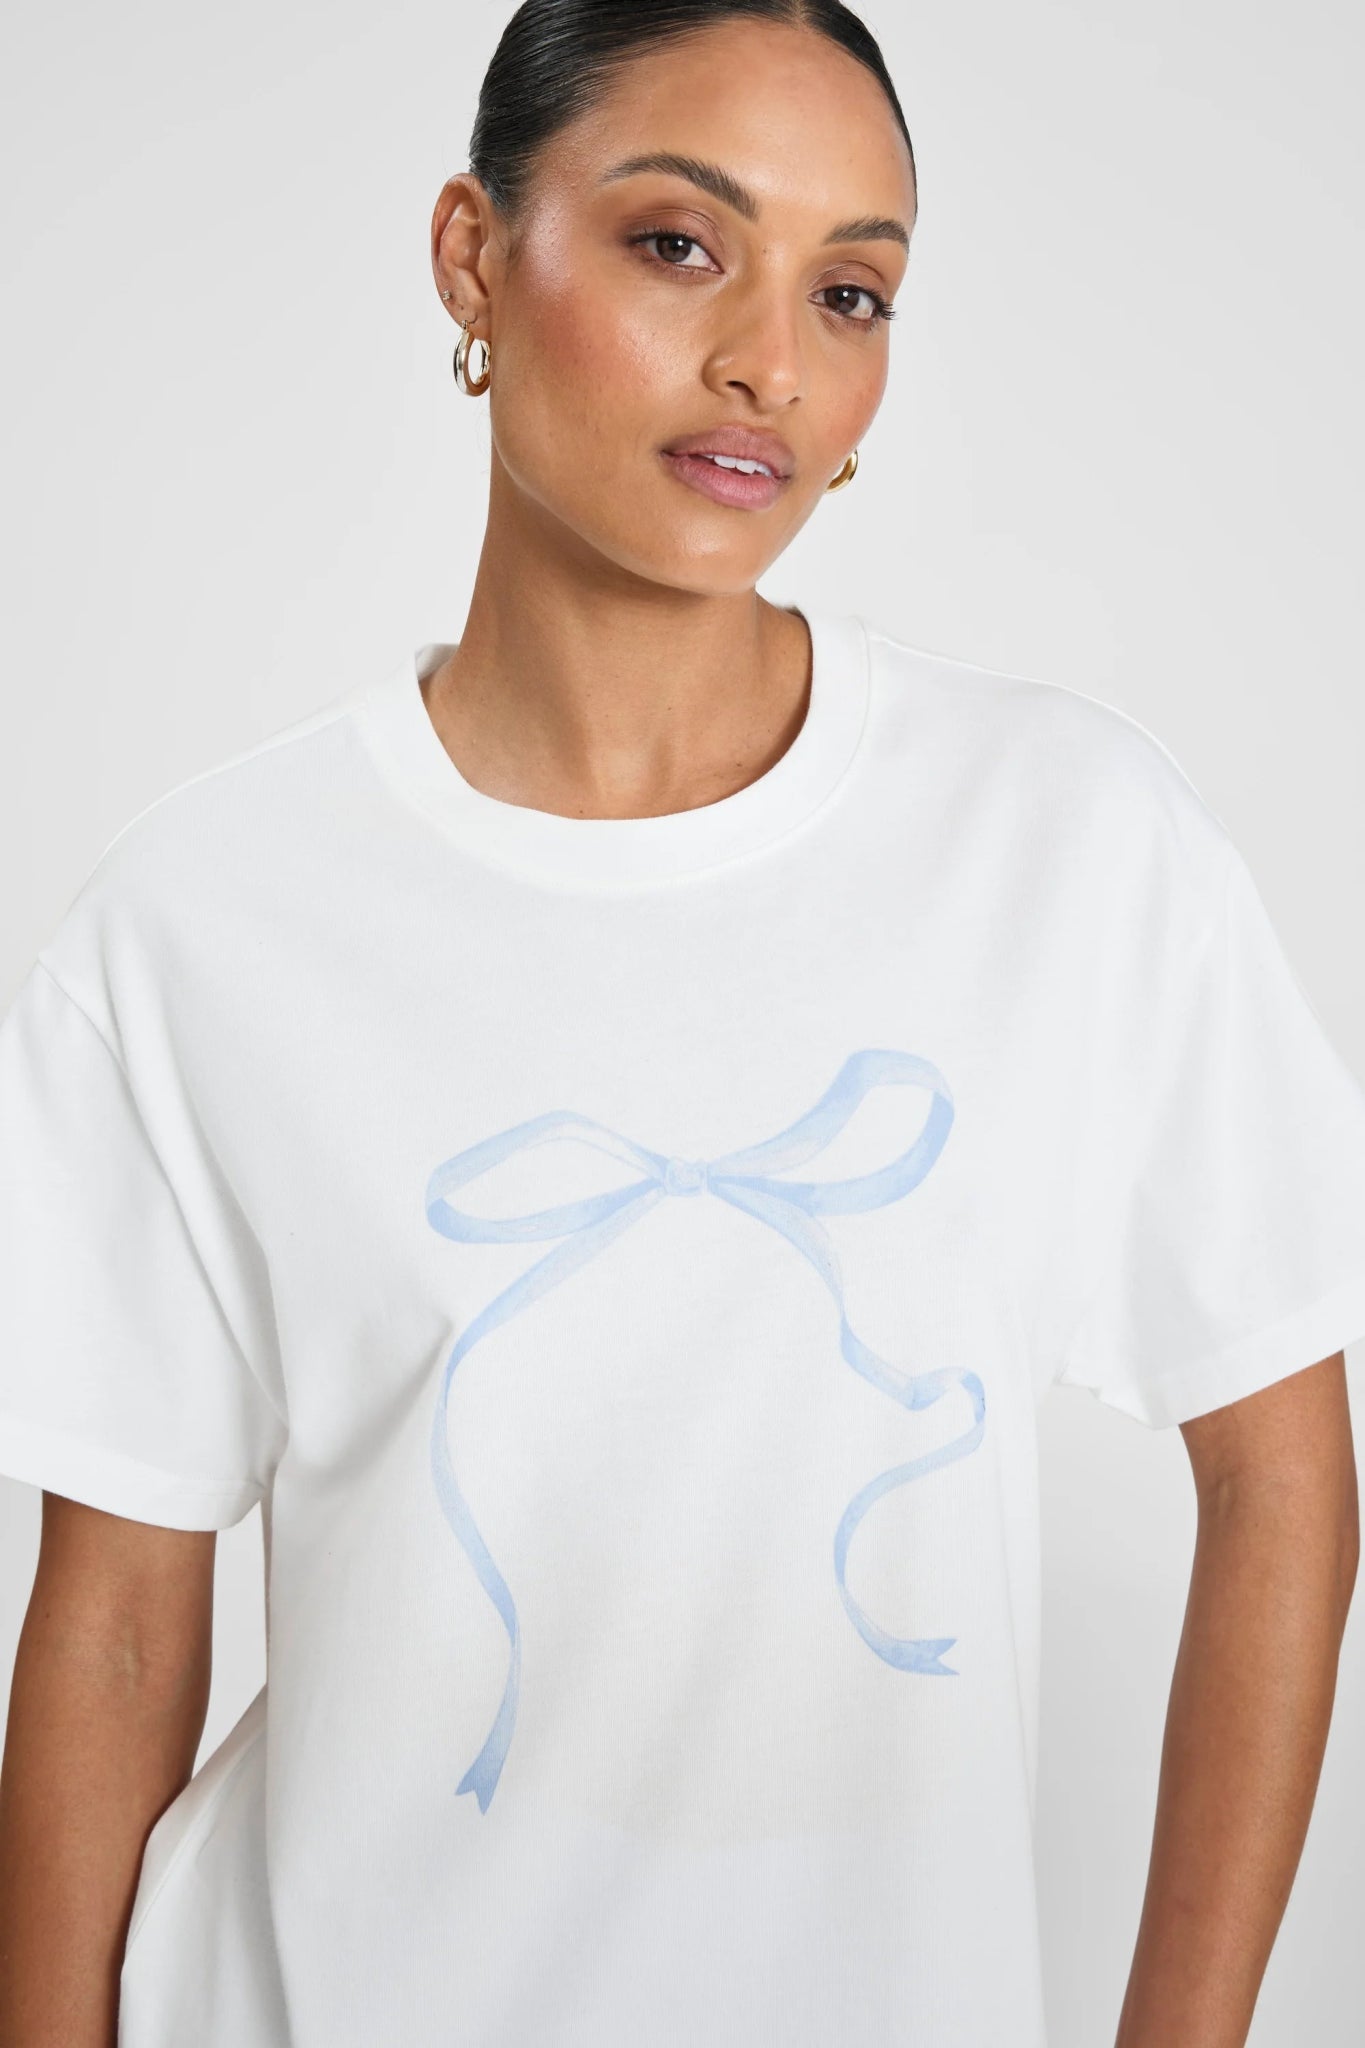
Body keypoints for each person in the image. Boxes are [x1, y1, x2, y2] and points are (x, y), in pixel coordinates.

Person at [0, 1, 1362, 2043]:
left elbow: (1279, 1481)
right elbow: (114, 1625)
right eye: (675, 245)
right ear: (472, 254)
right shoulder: (201, 921)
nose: (769, 365)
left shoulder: (1066, 845)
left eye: (847, 291)